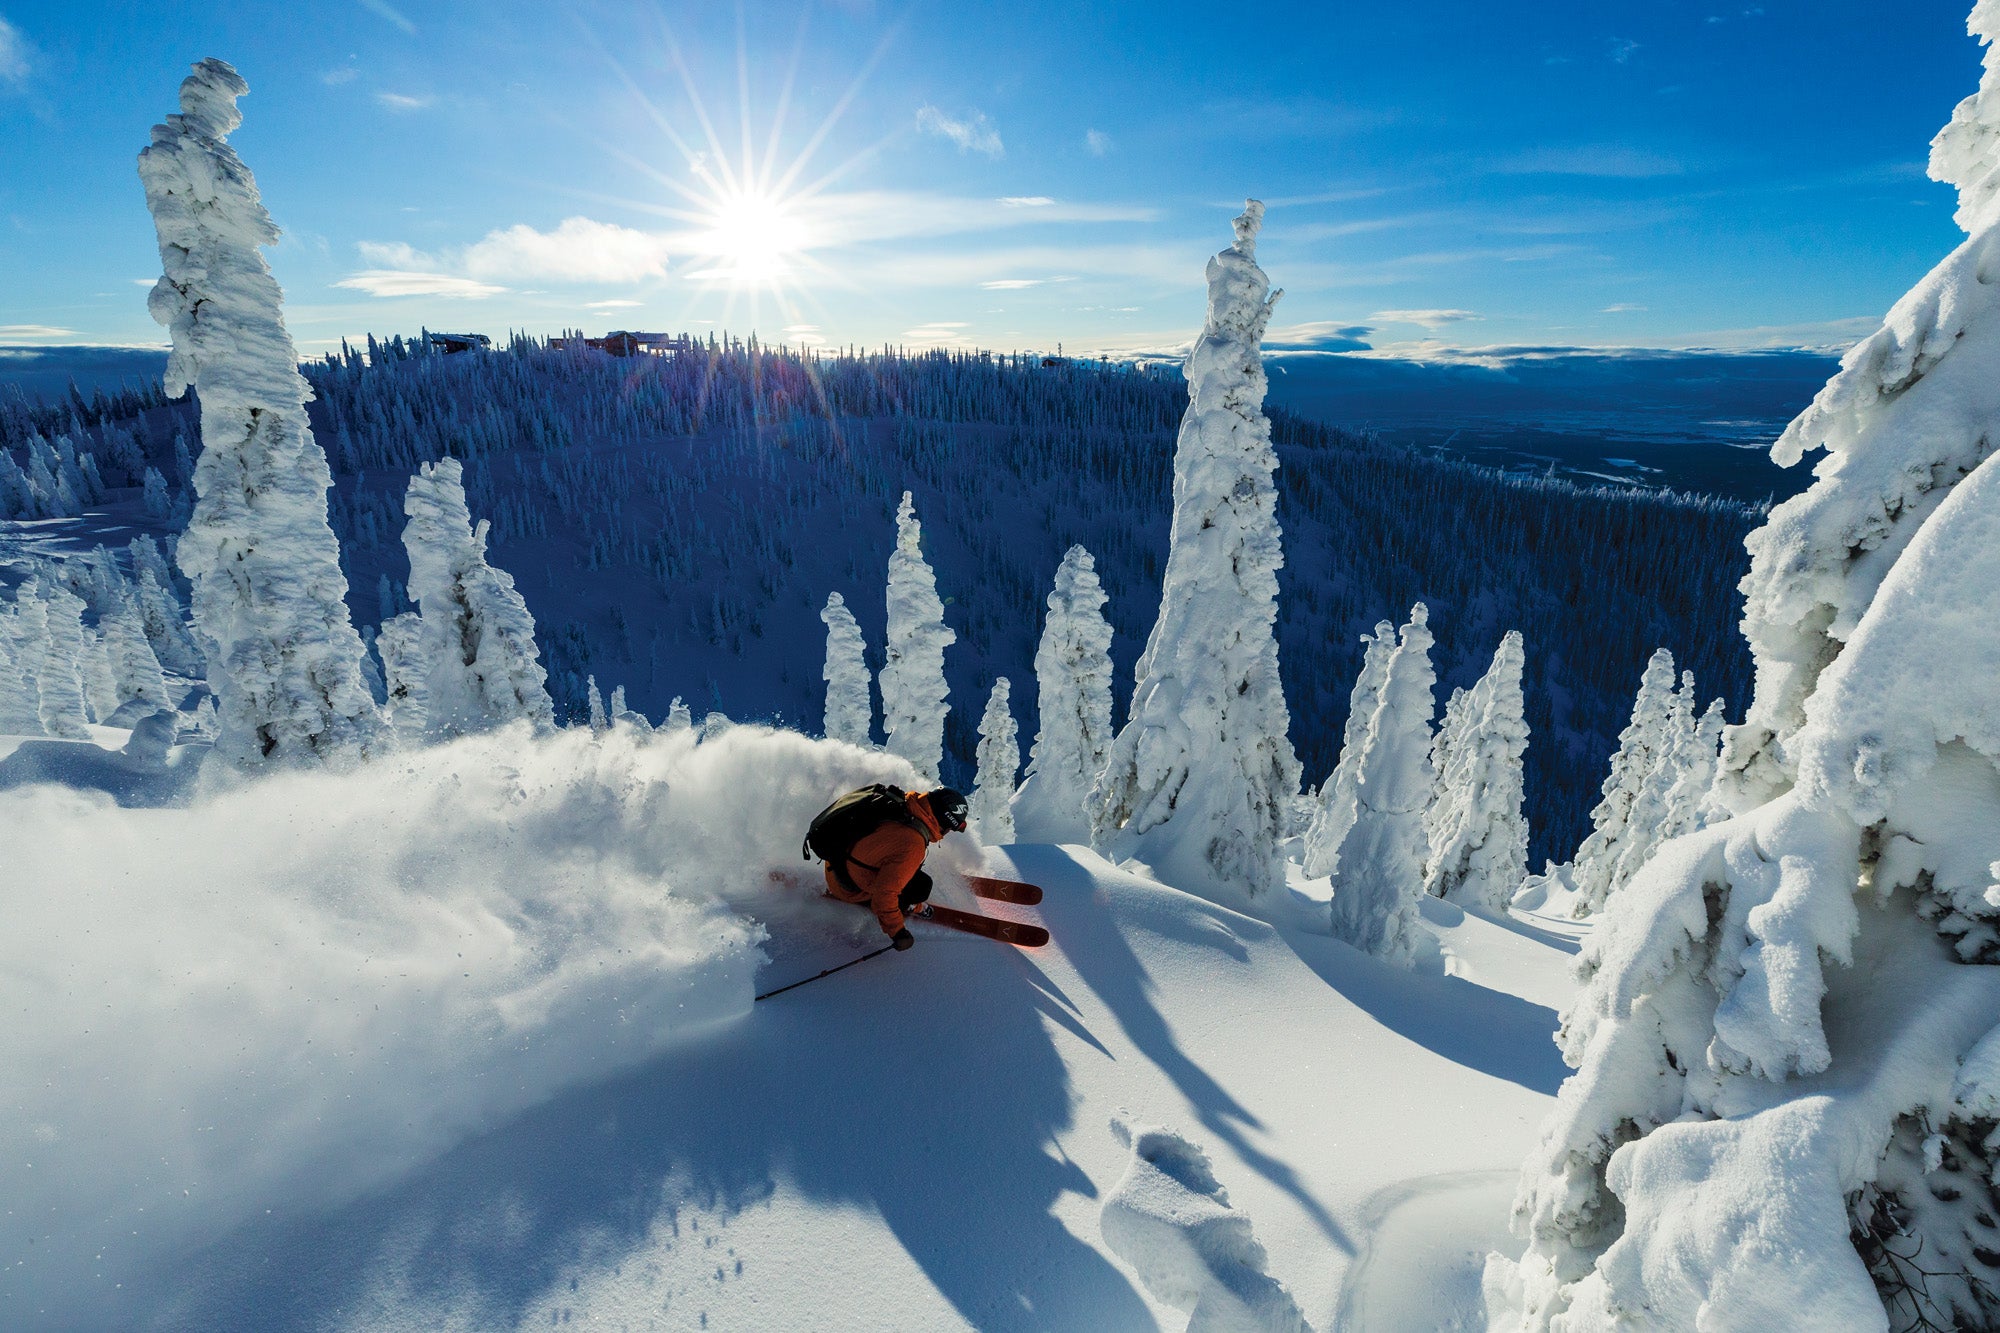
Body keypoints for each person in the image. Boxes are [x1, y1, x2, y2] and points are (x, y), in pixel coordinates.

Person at [823, 787, 969, 951]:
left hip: (835, 866)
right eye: (949, 828)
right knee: (921, 886)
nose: (946, 833)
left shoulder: (904, 806)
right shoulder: (912, 843)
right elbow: (884, 894)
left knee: (902, 869)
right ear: (944, 820)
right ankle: (910, 906)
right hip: (848, 889)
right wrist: (898, 932)